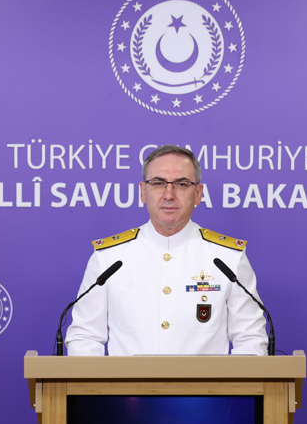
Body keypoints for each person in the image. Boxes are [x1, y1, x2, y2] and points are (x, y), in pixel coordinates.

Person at [65, 145, 268, 356]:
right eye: (158, 183)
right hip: (127, 380)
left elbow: (251, 338)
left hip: (206, 380)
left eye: (181, 184)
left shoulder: (228, 258)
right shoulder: (109, 258)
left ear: (198, 194)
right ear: (143, 192)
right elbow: (84, 337)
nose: (169, 194)